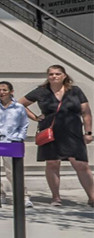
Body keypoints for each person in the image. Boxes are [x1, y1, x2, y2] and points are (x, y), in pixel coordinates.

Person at [20, 65, 94, 206]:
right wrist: (35, 117)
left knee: (81, 164)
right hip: (50, 131)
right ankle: (56, 197)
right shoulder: (41, 91)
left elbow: (86, 112)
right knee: (53, 163)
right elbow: (19, 104)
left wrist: (88, 132)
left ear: (64, 75)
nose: (54, 76)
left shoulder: (75, 91)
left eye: (57, 74)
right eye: (51, 74)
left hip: (73, 131)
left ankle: (92, 197)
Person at [0, 81, 34, 208]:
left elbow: (23, 125)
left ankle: (23, 196)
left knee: (12, 171)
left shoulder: (19, 107)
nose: (1, 92)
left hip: (10, 142)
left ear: (11, 92)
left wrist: (18, 138)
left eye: (4, 90)